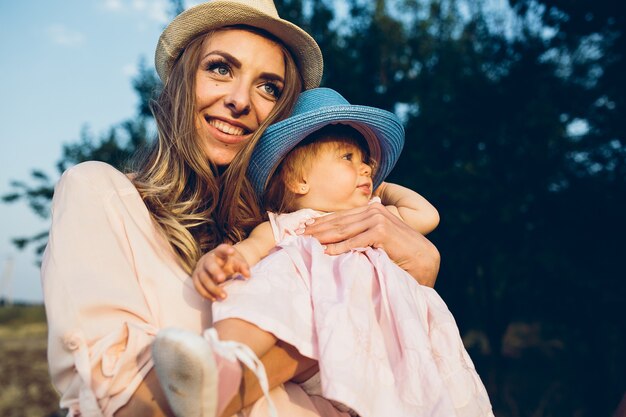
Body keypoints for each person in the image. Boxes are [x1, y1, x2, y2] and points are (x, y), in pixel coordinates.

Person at [41, 1, 441, 417]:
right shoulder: (103, 196)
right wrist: (318, 332)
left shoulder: (292, 237)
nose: (239, 100)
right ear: (180, 81)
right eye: (220, 68)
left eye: (268, 87)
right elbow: (121, 400)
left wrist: (420, 270)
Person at [153, 88, 494, 417]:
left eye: (367, 163)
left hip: (365, 346)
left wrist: (381, 187)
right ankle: (216, 362)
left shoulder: (371, 217)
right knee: (255, 295)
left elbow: (427, 215)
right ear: (298, 180)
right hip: (304, 337)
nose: (366, 169)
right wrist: (222, 261)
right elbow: (249, 251)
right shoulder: (285, 225)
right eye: (348, 157)